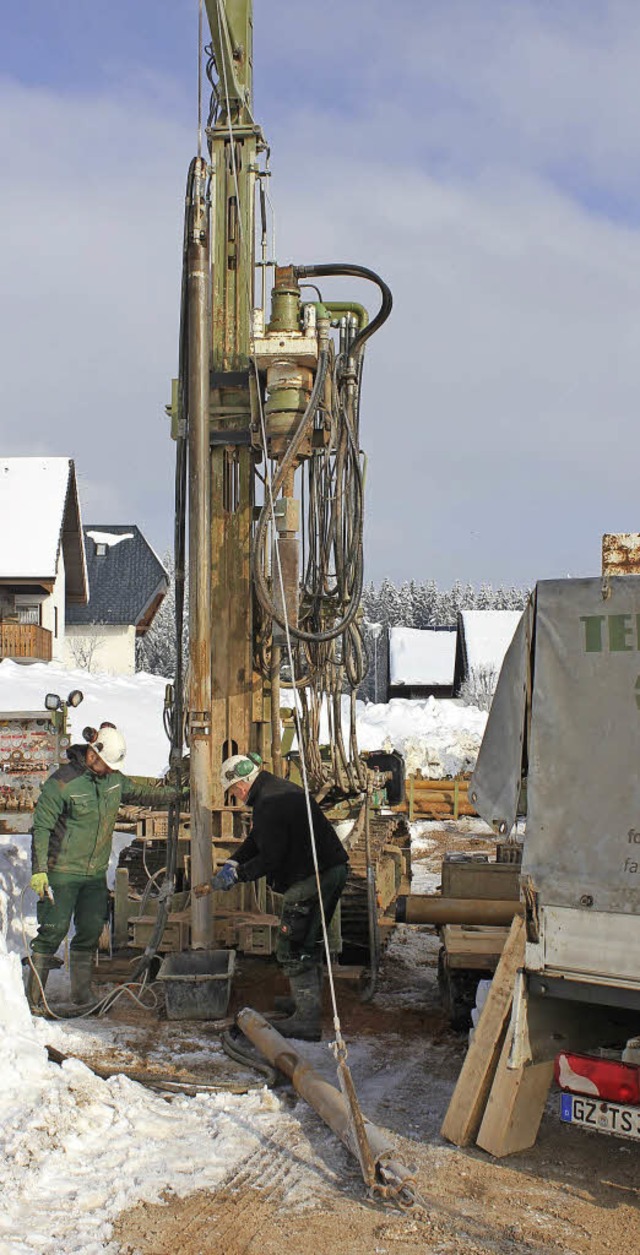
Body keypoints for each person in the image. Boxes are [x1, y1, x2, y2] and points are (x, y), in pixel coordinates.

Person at [28, 722, 183, 1014]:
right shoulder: (62, 783)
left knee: (88, 931)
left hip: (94, 874)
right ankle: (33, 1001)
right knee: (53, 929)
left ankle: (81, 997)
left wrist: (180, 792)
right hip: (62, 872)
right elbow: (42, 828)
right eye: (107, 765)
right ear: (92, 754)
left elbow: (142, 793)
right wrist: (39, 870)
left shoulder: (113, 780)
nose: (112, 770)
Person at [213, 752, 349, 1041]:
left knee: (294, 944)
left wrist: (239, 876)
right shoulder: (274, 790)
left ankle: (307, 1021)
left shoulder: (268, 803)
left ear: (240, 786)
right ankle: (305, 1002)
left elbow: (271, 858)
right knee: (308, 940)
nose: (235, 797)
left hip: (314, 876)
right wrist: (235, 861)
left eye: (233, 792)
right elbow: (258, 839)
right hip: (327, 869)